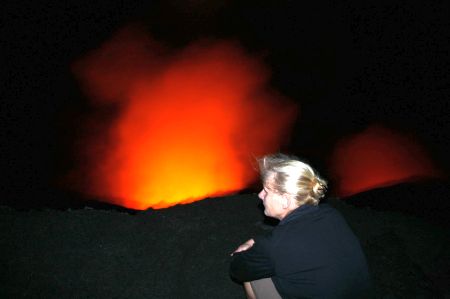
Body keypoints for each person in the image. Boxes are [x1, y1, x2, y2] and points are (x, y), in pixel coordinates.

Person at [230, 153, 372, 299]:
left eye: (266, 191)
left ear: (285, 200)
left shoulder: (278, 244)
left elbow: (238, 270)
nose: (260, 195)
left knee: (251, 276)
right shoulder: (331, 214)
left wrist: (244, 251)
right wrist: (258, 242)